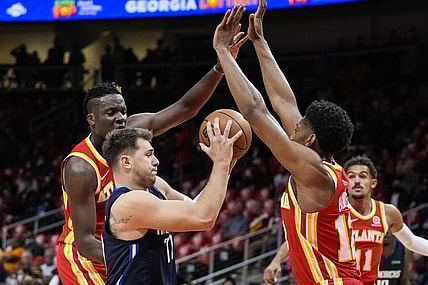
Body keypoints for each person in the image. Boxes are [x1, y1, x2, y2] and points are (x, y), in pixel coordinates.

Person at [56, 37, 247, 285]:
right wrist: (128, 253)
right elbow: (85, 240)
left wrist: (221, 65)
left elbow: (186, 108)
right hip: (86, 258)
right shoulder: (81, 167)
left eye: (123, 111)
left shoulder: (133, 133)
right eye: (111, 113)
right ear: (91, 119)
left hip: (124, 242)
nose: (120, 118)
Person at [213, 2, 360, 284]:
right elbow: (283, 101)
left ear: (311, 137)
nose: (295, 122)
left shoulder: (311, 170)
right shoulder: (319, 162)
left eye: (302, 122)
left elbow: (255, 111)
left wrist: (223, 52)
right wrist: (260, 42)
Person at [101, 124, 241, 284]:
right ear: (126, 162)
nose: (156, 161)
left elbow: (197, 205)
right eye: (148, 155)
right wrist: (221, 163)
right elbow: (203, 217)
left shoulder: (156, 186)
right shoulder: (127, 203)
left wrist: (228, 163)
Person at [344, 155, 428, 285]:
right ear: (345, 182)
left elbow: (411, 242)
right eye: (351, 176)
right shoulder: (335, 212)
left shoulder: (388, 213)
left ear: (373, 183)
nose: (356, 181)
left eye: (362, 176)